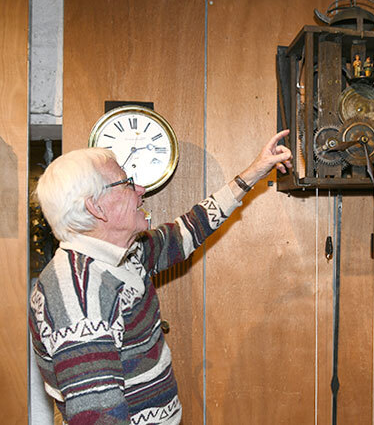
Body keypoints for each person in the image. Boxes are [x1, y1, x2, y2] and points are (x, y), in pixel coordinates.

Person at [29, 130, 292, 424]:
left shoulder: (120, 256)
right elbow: (99, 418)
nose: (140, 188)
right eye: (127, 183)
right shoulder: (79, 297)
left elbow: (187, 232)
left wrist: (254, 171)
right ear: (96, 206)